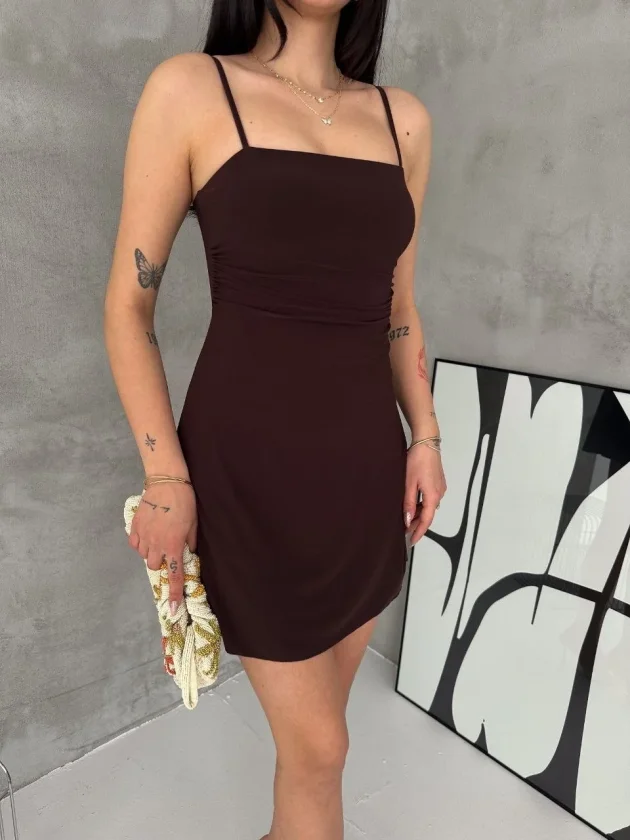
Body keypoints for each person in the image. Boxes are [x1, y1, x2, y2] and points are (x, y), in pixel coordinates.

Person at [104, 1, 447, 837]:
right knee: (324, 749)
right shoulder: (192, 90)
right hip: (246, 478)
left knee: (313, 750)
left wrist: (426, 436)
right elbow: (127, 309)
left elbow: (398, 310)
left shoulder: (403, 121)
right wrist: (164, 475)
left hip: (364, 476)